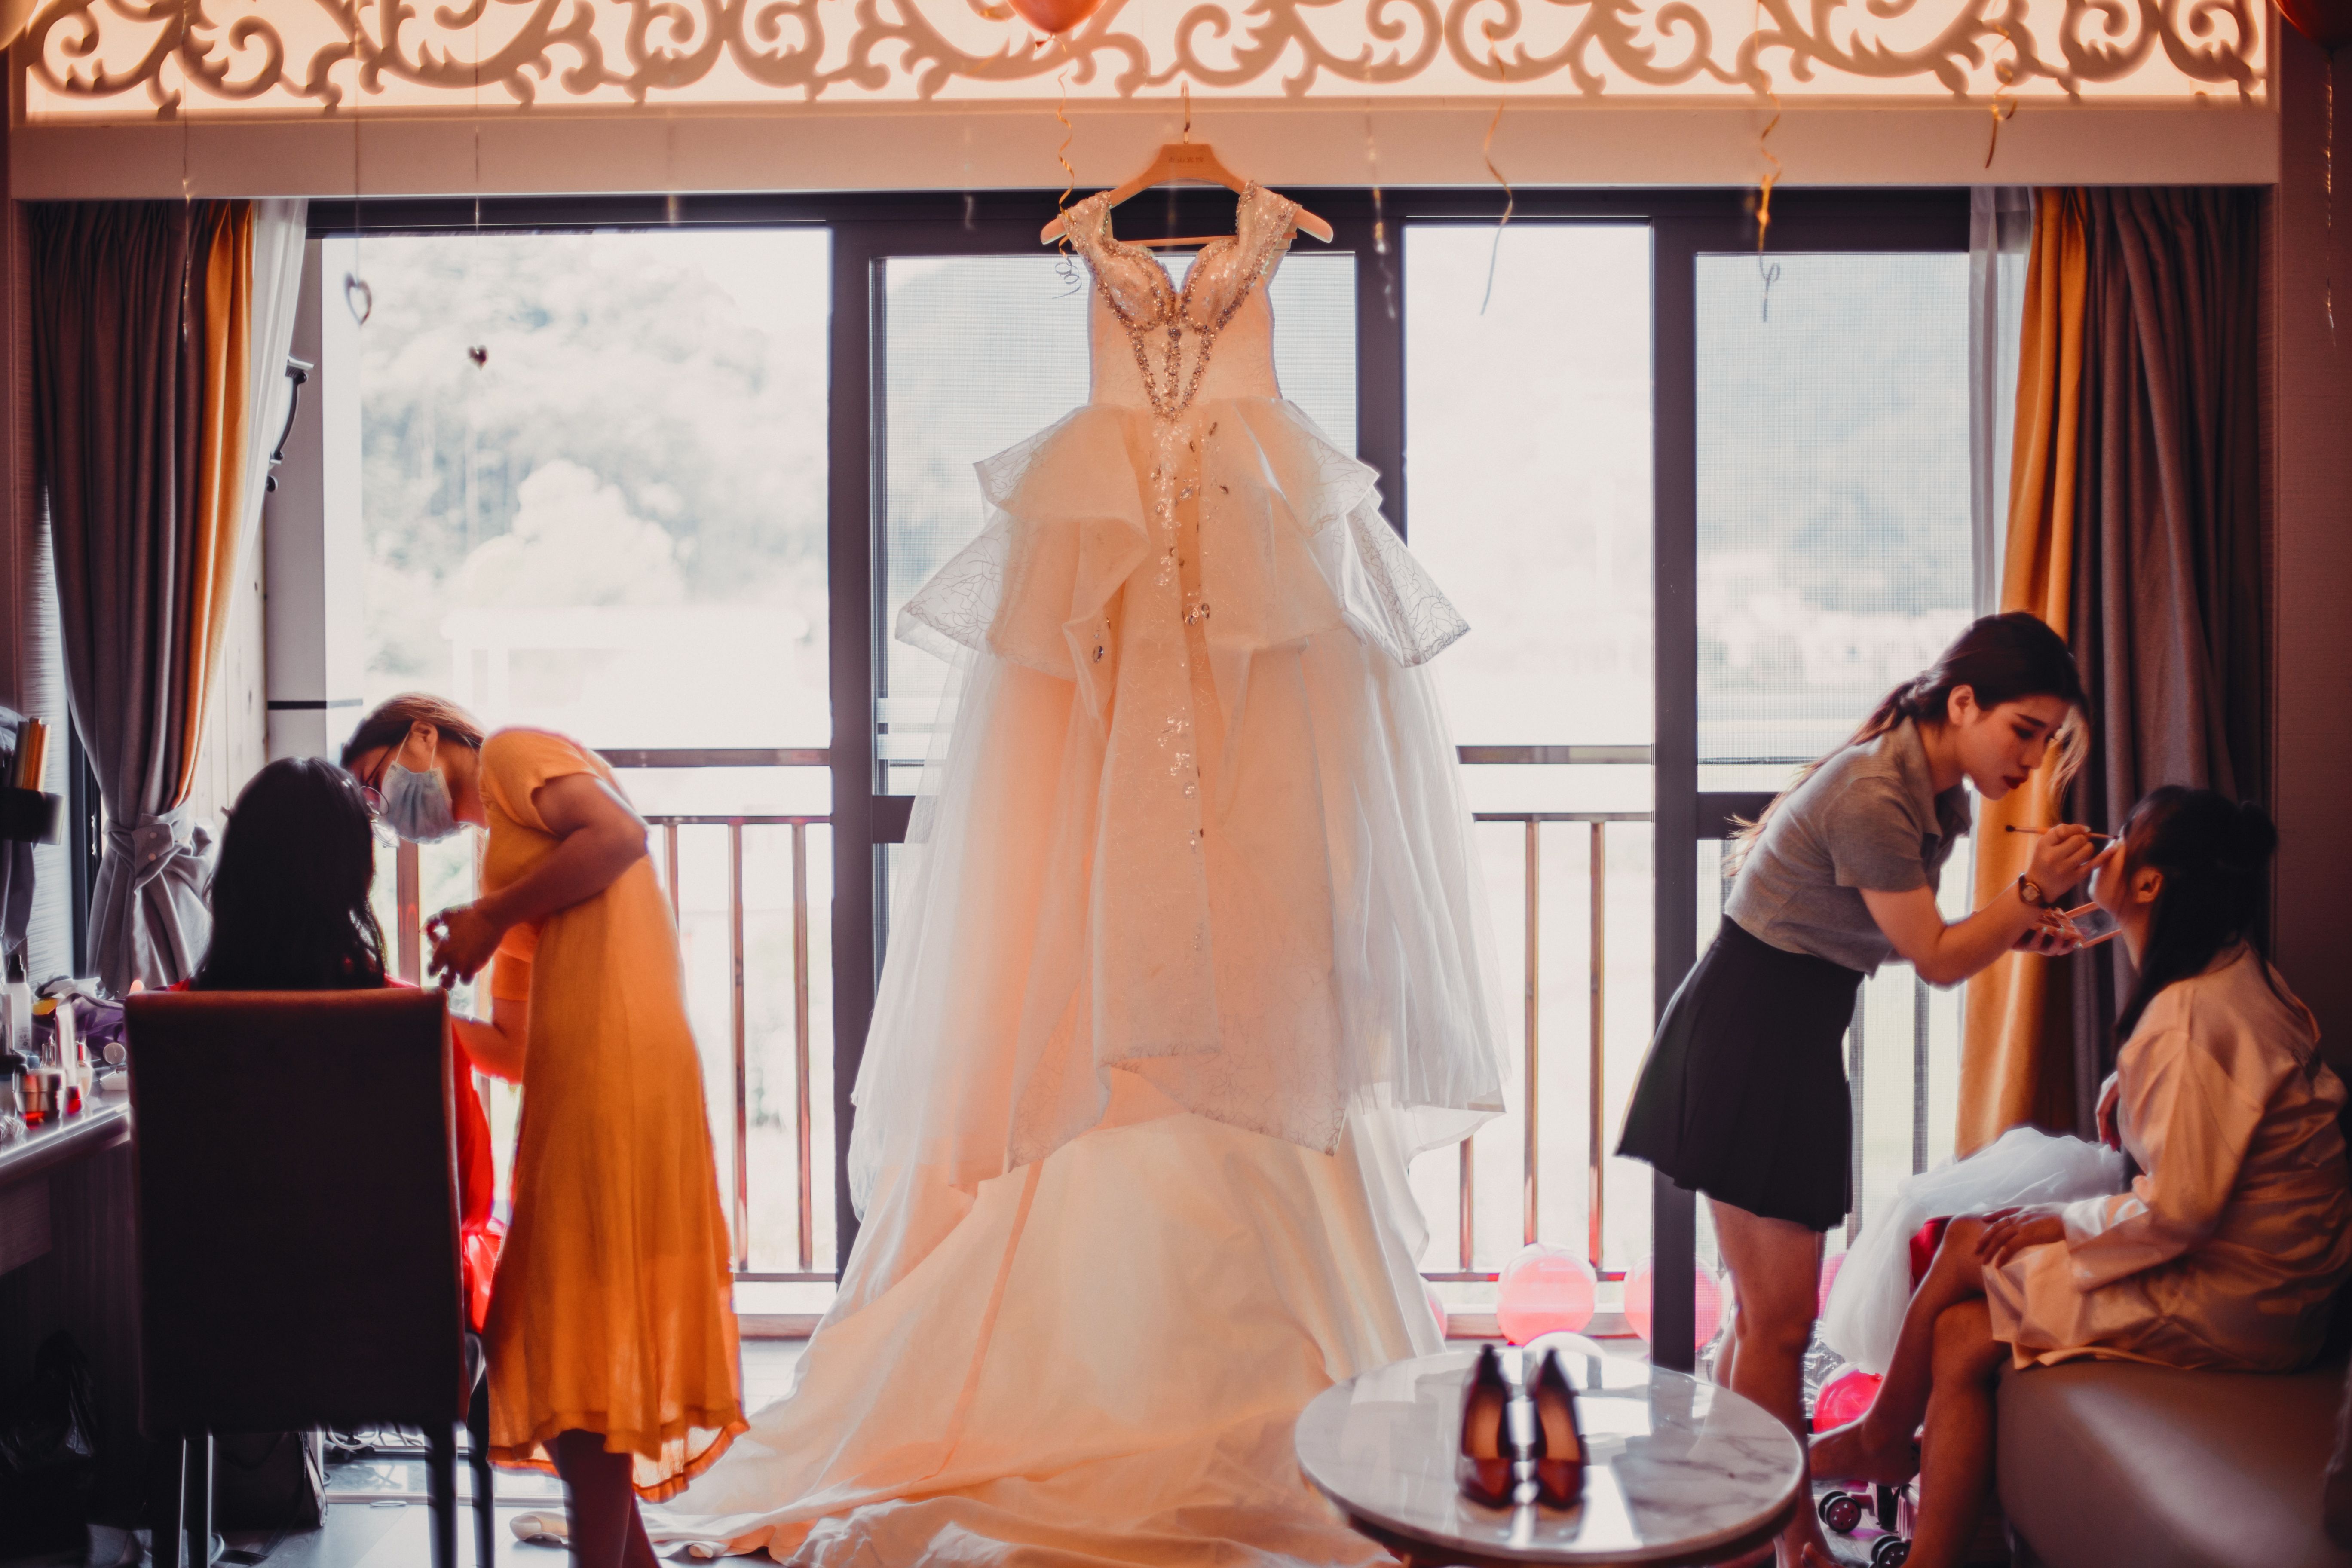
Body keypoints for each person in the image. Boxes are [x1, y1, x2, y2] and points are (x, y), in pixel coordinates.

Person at [1616, 610, 2101, 1568]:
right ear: (1964, 704)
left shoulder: (1935, 795)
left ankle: (1744, 1531)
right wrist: (2030, 895)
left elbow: (1906, 933)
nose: (2032, 760)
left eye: (2047, 740)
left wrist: (2017, 930)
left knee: (1764, 1323)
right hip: (1753, 1039)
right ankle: (1792, 1543)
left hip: (1789, 1039)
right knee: (1781, 1326)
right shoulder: (1877, 792)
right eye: (2024, 732)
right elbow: (1938, 959)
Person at [1810, 788, 2352, 1568]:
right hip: (2281, 1283)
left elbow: (2182, 1213)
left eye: (2125, 834)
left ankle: (1882, 1435)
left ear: (2151, 883)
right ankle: (1893, 1458)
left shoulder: (2186, 1020)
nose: (2106, 841)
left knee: (1966, 1245)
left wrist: (2062, 1223)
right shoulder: (2229, 964)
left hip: (2243, 1299)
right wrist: (2122, 1069)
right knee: (1962, 1331)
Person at [342, 695, 744, 1568]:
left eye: (377, 784)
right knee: (540, 1339)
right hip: (573, 1086)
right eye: (371, 807)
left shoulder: (512, 755)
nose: (386, 811)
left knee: (572, 1345)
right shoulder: (505, 873)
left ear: (423, 736)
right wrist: (408, 1013)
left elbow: (620, 835)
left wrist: (491, 920)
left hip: (619, 1069)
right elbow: (515, 1050)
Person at [189, 755, 501, 1329]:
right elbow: (469, 1200)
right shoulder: (412, 1024)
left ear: (233, 873)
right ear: (359, 877)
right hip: (392, 1328)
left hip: (225, 1327)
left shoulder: (177, 1024)